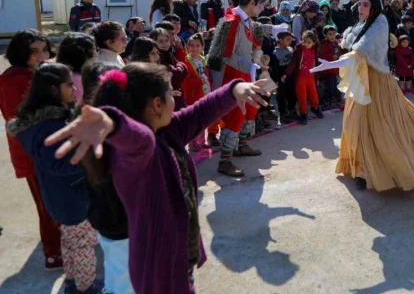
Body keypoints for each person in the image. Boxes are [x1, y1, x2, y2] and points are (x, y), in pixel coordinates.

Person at [44, 62, 269, 294]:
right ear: (157, 104)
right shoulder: (132, 154)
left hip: (178, 258)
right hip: (162, 268)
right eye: (171, 93)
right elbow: (139, 141)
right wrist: (114, 124)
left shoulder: (168, 129)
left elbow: (201, 111)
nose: (175, 99)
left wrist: (235, 89)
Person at [310, 0, 414, 191]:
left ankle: (376, 171)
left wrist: (330, 65)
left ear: (375, 6)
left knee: (382, 127)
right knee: (356, 124)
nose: (361, 8)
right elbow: (350, 45)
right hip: (362, 81)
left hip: (377, 83)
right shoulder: (361, 25)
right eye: (359, 4)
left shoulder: (380, 24)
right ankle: (360, 168)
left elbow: (359, 53)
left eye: (365, 4)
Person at [8, 63, 103, 294]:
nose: (75, 90)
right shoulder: (52, 126)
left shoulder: (39, 122)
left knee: (70, 240)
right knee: (82, 244)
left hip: (58, 196)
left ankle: (72, 279)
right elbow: (58, 163)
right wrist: (87, 159)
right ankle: (85, 286)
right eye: (69, 85)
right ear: (53, 89)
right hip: (72, 197)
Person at [206, 0, 288, 176]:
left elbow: (253, 27)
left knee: (251, 108)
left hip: (242, 72)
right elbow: (227, 56)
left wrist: (272, 28)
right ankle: (225, 161)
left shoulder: (241, 18)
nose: (262, 10)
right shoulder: (231, 20)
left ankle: (241, 145)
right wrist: (252, 67)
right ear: (252, 3)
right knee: (236, 115)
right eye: (260, 6)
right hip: (230, 75)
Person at [0, 30, 61, 271]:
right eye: (34, 51)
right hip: (34, 153)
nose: (41, 55)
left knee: (53, 201)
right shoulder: (16, 79)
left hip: (46, 149)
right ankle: (53, 253)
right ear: (21, 52)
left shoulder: (36, 74)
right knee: (47, 205)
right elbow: (21, 120)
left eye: (44, 49)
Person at [79, 63, 134, 294]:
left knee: (114, 264)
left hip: (102, 215)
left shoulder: (84, 119)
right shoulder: (121, 130)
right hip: (123, 220)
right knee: (125, 274)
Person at [282, 30, 324, 124]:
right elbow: (293, 62)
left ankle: (315, 108)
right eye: (304, 41)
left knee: (314, 95)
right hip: (300, 77)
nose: (306, 44)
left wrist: (317, 77)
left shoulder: (315, 49)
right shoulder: (299, 48)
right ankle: (303, 113)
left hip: (311, 77)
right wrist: (286, 73)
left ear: (314, 42)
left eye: (309, 42)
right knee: (302, 96)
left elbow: (316, 64)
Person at [182, 34, 214, 152]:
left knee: (202, 120)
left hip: (205, 92)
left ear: (202, 47)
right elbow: (185, 82)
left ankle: (201, 141)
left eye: (197, 45)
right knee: (193, 121)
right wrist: (199, 81)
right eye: (191, 45)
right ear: (187, 47)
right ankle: (192, 143)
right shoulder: (186, 61)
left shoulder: (204, 59)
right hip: (193, 95)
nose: (194, 48)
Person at [150, 26, 188, 111]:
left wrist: (179, 66)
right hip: (166, 100)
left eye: (166, 41)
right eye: (160, 41)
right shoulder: (158, 58)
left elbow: (184, 69)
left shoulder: (168, 54)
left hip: (176, 98)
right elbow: (176, 75)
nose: (165, 44)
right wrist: (179, 66)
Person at [55, 32, 97, 103]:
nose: (96, 54)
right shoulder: (78, 79)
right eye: (94, 50)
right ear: (85, 54)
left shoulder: (59, 73)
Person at [270, 32, 297, 122]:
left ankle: (292, 110)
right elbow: (275, 68)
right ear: (280, 40)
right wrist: (276, 80)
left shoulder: (290, 49)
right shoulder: (275, 52)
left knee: (292, 94)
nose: (290, 41)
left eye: (291, 39)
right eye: (287, 39)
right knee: (281, 95)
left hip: (290, 75)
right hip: (281, 76)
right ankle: (283, 114)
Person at [318, 26, 342, 109]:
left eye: (334, 34)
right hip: (328, 71)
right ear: (325, 35)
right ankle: (325, 103)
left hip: (334, 70)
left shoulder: (335, 43)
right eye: (330, 34)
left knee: (334, 87)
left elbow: (339, 53)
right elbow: (322, 56)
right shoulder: (324, 44)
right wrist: (332, 56)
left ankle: (332, 101)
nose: (332, 36)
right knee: (329, 88)